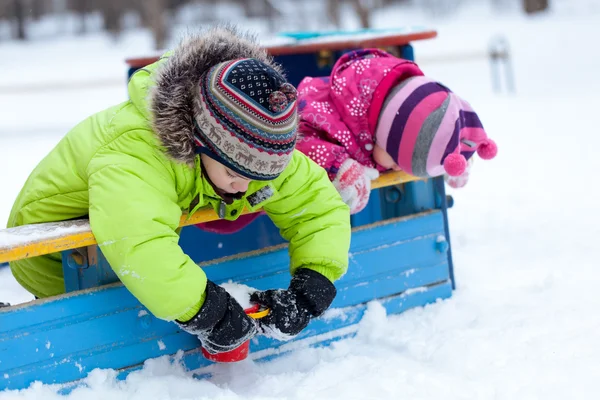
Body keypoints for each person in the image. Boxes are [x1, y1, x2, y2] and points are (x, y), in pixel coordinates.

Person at [6, 26, 350, 354]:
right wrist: (208, 311)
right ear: (201, 142)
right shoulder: (138, 152)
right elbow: (140, 242)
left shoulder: (254, 144)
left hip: (124, 246)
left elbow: (317, 205)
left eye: (256, 175)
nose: (244, 186)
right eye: (234, 173)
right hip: (52, 253)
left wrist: (311, 287)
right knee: (110, 342)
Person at [295, 48, 498, 214]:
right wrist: (340, 166)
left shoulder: (387, 114)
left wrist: (446, 157)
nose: (398, 168)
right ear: (379, 133)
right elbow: (296, 142)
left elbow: (433, 128)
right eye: (395, 158)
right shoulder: (324, 113)